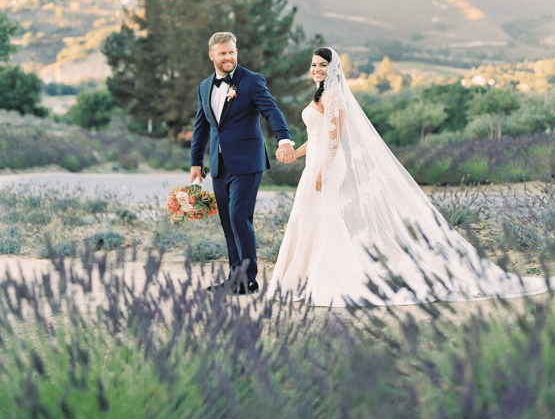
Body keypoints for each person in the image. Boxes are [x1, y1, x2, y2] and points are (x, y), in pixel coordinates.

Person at [269, 47, 555, 307]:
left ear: (333, 69)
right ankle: (299, 280)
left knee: (320, 216)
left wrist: (323, 170)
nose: (316, 69)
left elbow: (335, 138)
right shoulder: (320, 94)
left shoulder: (334, 95)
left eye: (322, 65)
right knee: (307, 217)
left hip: (328, 164)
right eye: (314, 64)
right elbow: (316, 137)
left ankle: (326, 279)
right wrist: (296, 154)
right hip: (318, 162)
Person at [190, 32, 295, 295]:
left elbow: (271, 110)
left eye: (232, 52)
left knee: (239, 217)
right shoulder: (204, 86)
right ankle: (235, 279)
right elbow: (201, 127)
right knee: (228, 221)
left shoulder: (252, 81)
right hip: (218, 165)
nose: (228, 57)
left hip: (248, 162)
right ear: (212, 55)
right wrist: (196, 163)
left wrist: (284, 139)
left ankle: (249, 279)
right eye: (223, 53)